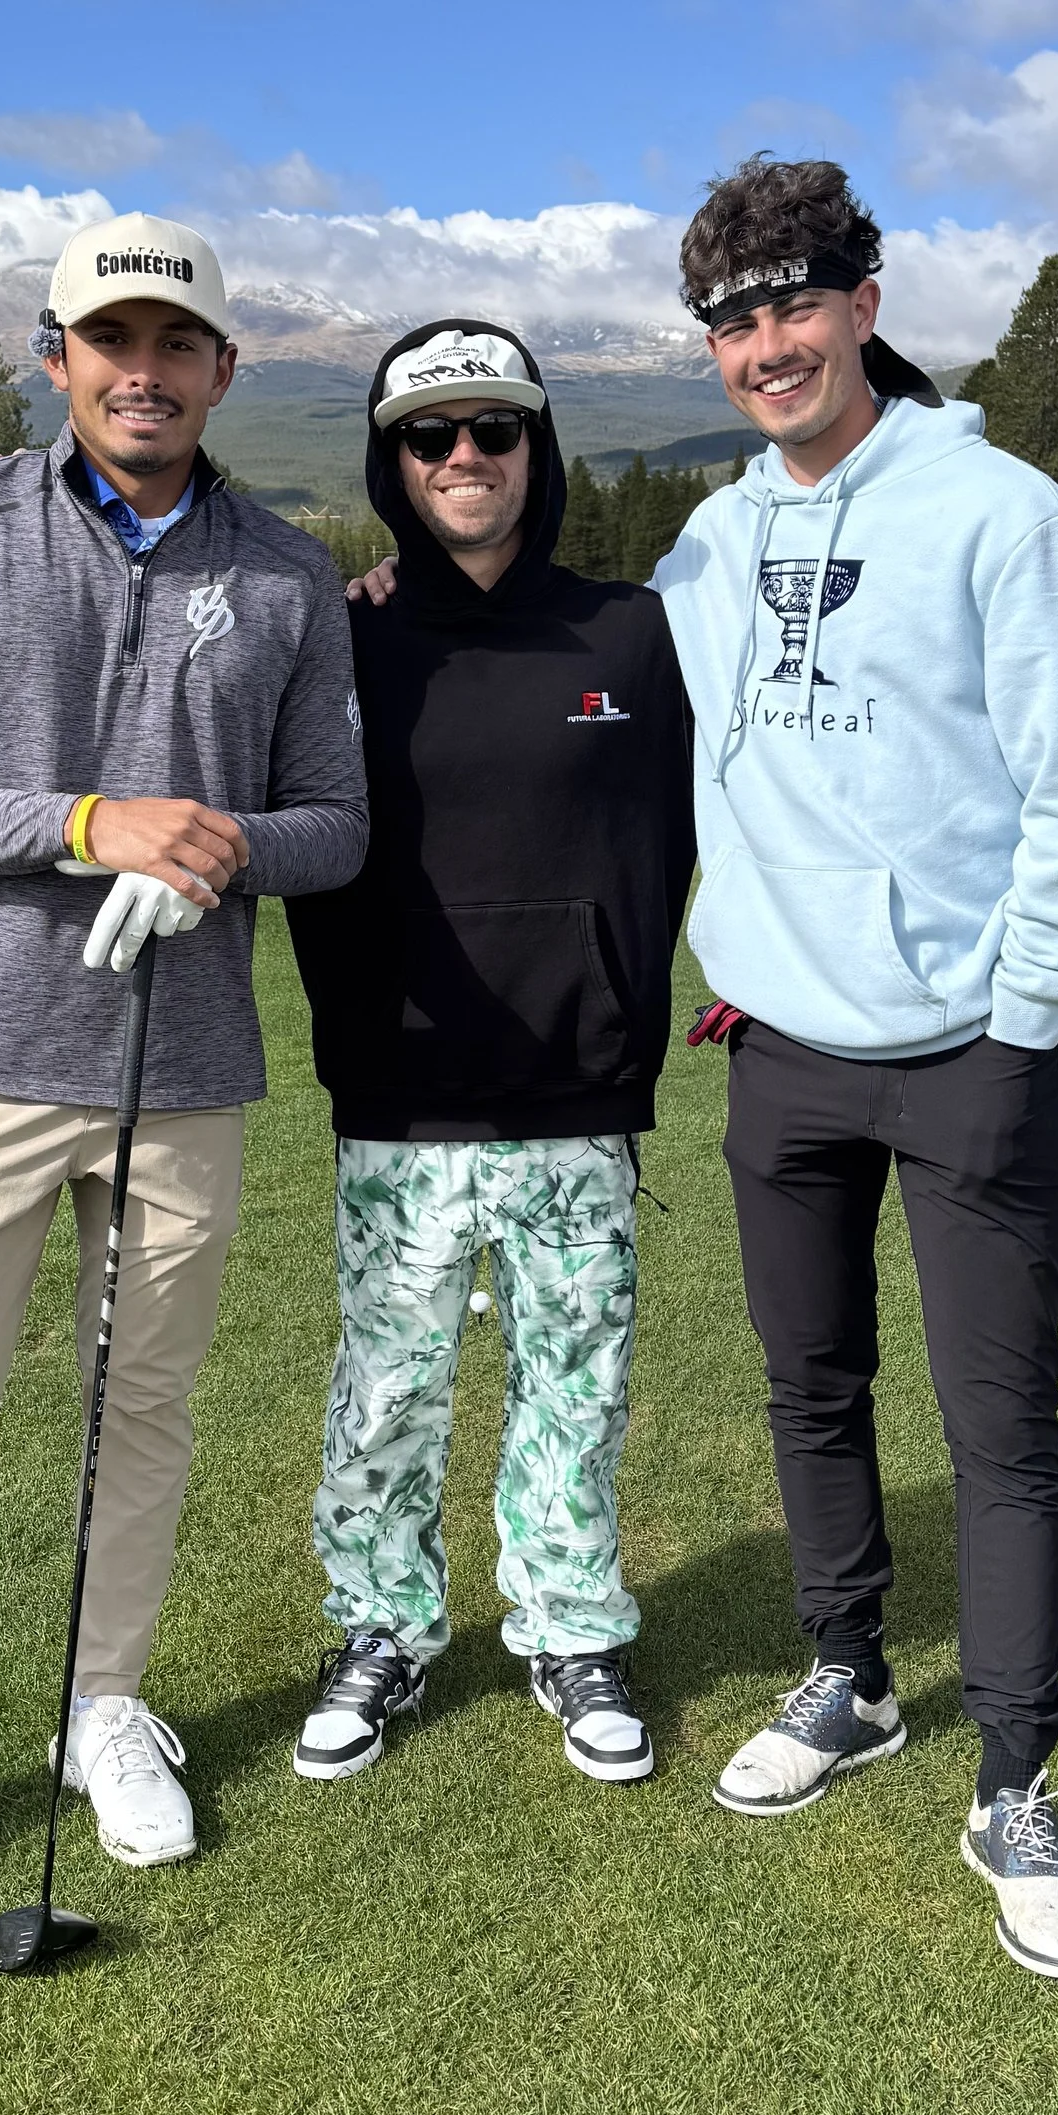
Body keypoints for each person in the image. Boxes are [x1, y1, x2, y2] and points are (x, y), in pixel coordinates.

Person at [0, 214, 367, 1953]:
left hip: (181, 1074)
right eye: (111, 341)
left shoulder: (287, 569)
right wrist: (88, 823)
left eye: (176, 345)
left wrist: (226, 846)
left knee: (144, 1418)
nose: (144, 371)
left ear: (222, 372)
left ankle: (106, 1705)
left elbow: (338, 828)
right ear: (57, 361)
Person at [651, 159, 1058, 1980]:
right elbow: (612, 684)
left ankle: (1016, 1779)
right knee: (812, 1391)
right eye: (729, 319)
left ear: (866, 302)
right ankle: (852, 1676)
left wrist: (1021, 1020)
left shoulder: (1003, 515)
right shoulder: (714, 540)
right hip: (780, 1051)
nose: (763, 346)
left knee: (1000, 1431)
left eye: (792, 303)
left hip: (968, 1055)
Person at [284, 322, 694, 1787]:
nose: (466, 458)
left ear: (540, 449)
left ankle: (571, 1624)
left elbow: (692, 834)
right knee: (388, 1387)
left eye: (496, 431)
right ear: (391, 463)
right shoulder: (340, 637)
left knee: (573, 1381)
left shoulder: (632, 632)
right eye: (430, 436)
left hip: (577, 1095)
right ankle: (381, 1625)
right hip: (399, 1096)